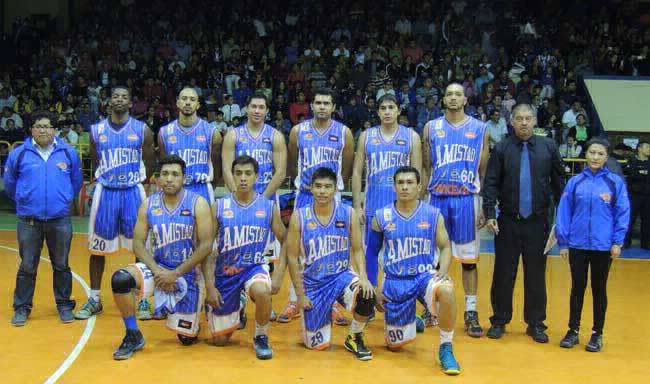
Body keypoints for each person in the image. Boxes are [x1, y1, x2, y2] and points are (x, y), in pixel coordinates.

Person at [110, 155, 213, 360]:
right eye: (164, 174)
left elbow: (206, 246)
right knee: (120, 279)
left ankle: (198, 308)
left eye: (175, 174)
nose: (169, 179)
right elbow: (138, 244)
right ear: (157, 179)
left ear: (184, 178)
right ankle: (132, 334)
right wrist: (158, 272)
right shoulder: (148, 204)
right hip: (157, 269)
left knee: (186, 339)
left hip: (188, 274)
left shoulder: (198, 204)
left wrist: (174, 274)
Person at [482, 104, 566, 343]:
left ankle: (536, 323)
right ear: (512, 121)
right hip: (507, 221)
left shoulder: (548, 147)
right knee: (503, 273)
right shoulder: (501, 148)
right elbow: (490, 184)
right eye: (519, 118)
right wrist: (490, 213)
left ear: (535, 120)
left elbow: (561, 186)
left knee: (536, 275)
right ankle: (499, 320)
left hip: (538, 223)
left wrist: (563, 220)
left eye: (528, 118)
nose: (524, 123)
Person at [366, 166, 461, 375]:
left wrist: (443, 270)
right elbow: (371, 253)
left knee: (446, 290)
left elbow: (446, 247)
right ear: (394, 187)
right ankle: (414, 320)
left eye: (410, 183)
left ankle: (446, 347)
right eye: (400, 183)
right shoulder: (381, 216)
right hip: (395, 280)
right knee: (395, 346)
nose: (405, 187)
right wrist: (374, 287)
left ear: (419, 187)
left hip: (424, 276)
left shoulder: (433, 214)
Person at [76, 86, 155, 321]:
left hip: (132, 192)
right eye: (115, 96)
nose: (119, 99)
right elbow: (96, 158)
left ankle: (143, 300)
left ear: (130, 103)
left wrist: (136, 180)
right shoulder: (96, 130)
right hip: (106, 192)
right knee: (97, 249)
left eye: (124, 97)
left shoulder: (143, 130)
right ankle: (95, 298)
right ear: (109, 101)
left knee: (140, 248)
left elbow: (150, 162)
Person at [281, 167, 375, 359]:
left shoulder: (348, 213)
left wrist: (364, 278)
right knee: (317, 346)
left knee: (366, 294)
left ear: (335, 189)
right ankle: (321, 317)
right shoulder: (299, 216)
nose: (322, 191)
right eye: (318, 186)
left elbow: (357, 249)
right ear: (311, 188)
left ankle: (354, 336)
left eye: (327, 187)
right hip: (313, 284)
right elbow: (292, 257)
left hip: (341, 277)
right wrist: (300, 295)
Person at [421, 83, 489, 336]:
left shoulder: (481, 129)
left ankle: (471, 312)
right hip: (436, 198)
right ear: (443, 98)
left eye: (457, 94)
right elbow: (426, 166)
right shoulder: (431, 128)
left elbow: (483, 170)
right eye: (448, 93)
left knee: (468, 261)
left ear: (465, 100)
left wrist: (484, 203)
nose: (453, 97)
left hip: (466, 199)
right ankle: (431, 307)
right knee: (434, 259)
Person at [204, 155, 287, 360]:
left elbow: (286, 241)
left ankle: (261, 336)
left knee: (262, 292)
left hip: (254, 268)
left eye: (248, 173)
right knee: (220, 342)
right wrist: (210, 286)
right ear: (231, 176)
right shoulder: (220, 206)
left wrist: (278, 277)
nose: (243, 178)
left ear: (256, 177)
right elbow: (205, 248)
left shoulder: (267, 207)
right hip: (226, 273)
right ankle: (238, 306)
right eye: (238, 173)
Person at [5, 111, 83, 326]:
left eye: (47, 126)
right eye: (38, 126)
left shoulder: (68, 153)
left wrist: (63, 199)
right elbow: (10, 186)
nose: (42, 130)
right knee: (27, 266)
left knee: (62, 265)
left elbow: (75, 183)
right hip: (29, 221)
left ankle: (64, 306)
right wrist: (26, 200)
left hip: (60, 220)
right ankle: (22, 308)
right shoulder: (19, 154)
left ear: (54, 130)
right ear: (31, 129)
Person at [284, 88, 355, 324]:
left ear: (333, 106)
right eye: (318, 102)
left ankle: (333, 301)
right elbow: (293, 163)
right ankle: (295, 300)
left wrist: (334, 188)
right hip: (305, 194)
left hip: (331, 197)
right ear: (311, 106)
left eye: (327, 102)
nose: (322, 106)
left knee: (331, 249)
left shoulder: (344, 132)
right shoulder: (298, 131)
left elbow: (346, 166)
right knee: (298, 251)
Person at [556, 138, 629, 352]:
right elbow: (564, 212)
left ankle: (597, 333)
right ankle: (573, 331)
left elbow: (622, 213)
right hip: (577, 245)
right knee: (577, 288)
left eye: (600, 154)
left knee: (599, 289)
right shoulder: (575, 182)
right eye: (592, 153)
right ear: (585, 154)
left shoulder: (615, 183)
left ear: (606, 157)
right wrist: (563, 242)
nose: (595, 157)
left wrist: (617, 242)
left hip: (602, 246)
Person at [221, 91, 287, 322]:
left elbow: (280, 172)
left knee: (266, 255)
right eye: (254, 106)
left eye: (261, 107)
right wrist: (237, 196)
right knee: (236, 251)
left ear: (267, 111)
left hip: (266, 201)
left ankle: (264, 301)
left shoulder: (275, 136)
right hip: (237, 200)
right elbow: (227, 169)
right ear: (246, 108)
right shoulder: (233, 135)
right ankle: (237, 301)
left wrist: (261, 200)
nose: (257, 110)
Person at [352, 94, 422, 287]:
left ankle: (397, 295)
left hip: (402, 206)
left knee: (401, 251)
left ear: (399, 110)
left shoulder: (412, 137)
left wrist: (417, 206)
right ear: (378, 112)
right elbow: (357, 173)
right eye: (383, 108)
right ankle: (370, 297)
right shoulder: (367, 136)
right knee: (371, 252)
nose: (387, 112)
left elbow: (417, 176)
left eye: (391, 107)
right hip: (373, 204)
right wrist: (357, 206)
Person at [159, 87, 222, 206]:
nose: (188, 102)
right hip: (174, 189)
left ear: (198, 105)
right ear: (177, 103)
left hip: (201, 189)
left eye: (192, 99)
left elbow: (217, 167)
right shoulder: (164, 132)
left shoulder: (212, 132)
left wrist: (209, 186)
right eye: (184, 98)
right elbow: (163, 166)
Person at [625, 141, 650, 249]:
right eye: (647, 147)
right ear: (639, 148)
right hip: (634, 195)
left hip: (648, 195)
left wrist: (641, 173)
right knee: (631, 219)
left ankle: (646, 244)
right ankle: (626, 242)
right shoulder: (632, 161)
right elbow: (631, 174)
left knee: (647, 220)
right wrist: (642, 173)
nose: (649, 149)